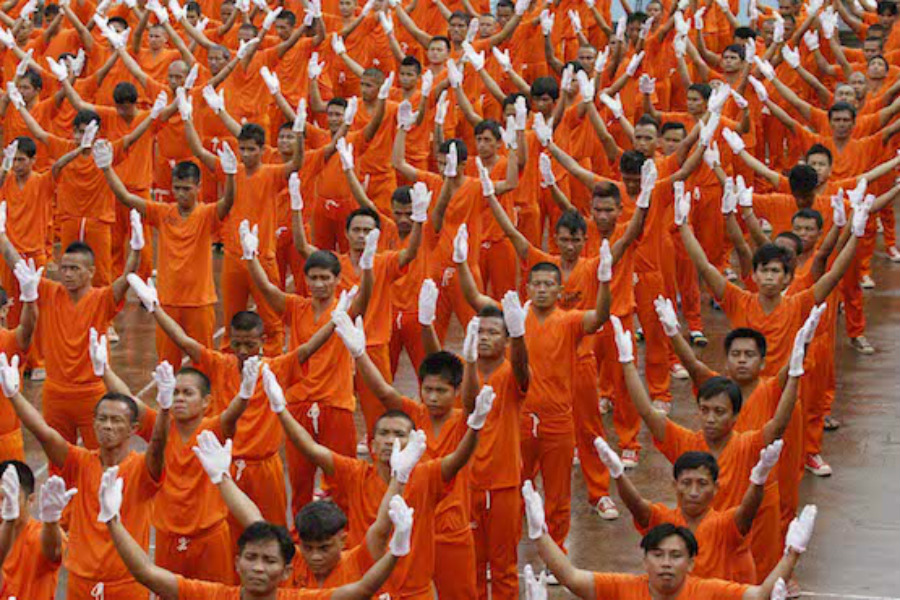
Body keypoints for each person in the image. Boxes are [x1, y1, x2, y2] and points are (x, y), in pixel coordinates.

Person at [454, 183, 612, 571]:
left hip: (558, 419)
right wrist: (460, 263)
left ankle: (557, 558)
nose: (542, 290)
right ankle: (505, 553)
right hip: (520, 419)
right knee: (514, 489)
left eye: (548, 285)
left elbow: (600, 318)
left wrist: (606, 281)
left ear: (559, 290)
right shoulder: (515, 318)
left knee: (558, 495)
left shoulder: (569, 321)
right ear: (528, 286)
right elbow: (476, 300)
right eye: (536, 284)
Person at [612, 302, 818, 579]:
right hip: (699, 555)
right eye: (705, 410)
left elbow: (779, 424)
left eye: (719, 412)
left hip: (737, 552)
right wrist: (627, 363)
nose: (710, 419)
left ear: (735, 416)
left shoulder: (748, 445)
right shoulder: (686, 442)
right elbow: (648, 413)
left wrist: (794, 374)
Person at [261, 362, 489, 599]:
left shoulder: (426, 476)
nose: (391, 440)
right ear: (371, 445)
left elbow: (459, 458)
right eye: (384, 433)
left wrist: (475, 427)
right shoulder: (355, 473)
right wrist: (280, 409)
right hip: (368, 589)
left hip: (414, 592)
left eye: (399, 434)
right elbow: (310, 448)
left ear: (413, 443)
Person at [138, 286, 334, 537]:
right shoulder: (220, 365)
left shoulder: (277, 369)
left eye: (249, 345)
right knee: (226, 534)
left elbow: (308, 349)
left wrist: (336, 321)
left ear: (263, 341)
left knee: (272, 533)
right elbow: (184, 342)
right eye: (237, 344)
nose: (242, 351)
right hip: (225, 465)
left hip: (265, 467)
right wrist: (156, 309)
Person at [103, 461, 413, 599]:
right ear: (237, 562)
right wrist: (113, 520)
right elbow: (146, 573)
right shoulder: (214, 596)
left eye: (269, 561)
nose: (259, 568)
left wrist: (397, 550)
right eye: (251, 558)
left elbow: (362, 590)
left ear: (286, 570)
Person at [0, 354, 169, 599]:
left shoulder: (143, 469)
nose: (107, 425)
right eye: (102, 419)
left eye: (116, 420)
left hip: (127, 584)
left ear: (133, 429)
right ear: (94, 423)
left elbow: (158, 444)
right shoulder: (79, 462)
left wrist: (164, 409)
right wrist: (14, 395)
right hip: (81, 583)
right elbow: (44, 433)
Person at [93, 344, 249, 584]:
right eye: (174, 393)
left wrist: (244, 395)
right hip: (168, 538)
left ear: (206, 401)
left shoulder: (213, 431)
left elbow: (232, 415)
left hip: (210, 537)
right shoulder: (161, 427)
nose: (179, 398)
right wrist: (104, 370)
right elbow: (129, 402)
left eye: (187, 393)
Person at [194, 423, 410, 589]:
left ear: (343, 540)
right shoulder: (293, 560)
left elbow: (381, 528)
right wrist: (222, 478)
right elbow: (253, 520)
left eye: (324, 548)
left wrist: (398, 478)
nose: (315, 557)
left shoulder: (357, 561)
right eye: (308, 547)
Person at [523, 479, 817, 599]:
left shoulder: (708, 591)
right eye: (658, 554)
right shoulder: (624, 588)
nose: (666, 563)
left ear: (691, 564)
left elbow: (760, 594)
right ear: (644, 560)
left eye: (675, 556)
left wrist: (793, 552)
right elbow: (571, 577)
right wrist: (539, 535)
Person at [0, 214, 143, 448]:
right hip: (55, 394)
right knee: (59, 459)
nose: (67, 274)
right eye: (64, 268)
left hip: (91, 392)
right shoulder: (50, 292)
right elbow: (18, 266)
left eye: (74, 269)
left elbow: (126, 279)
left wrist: (136, 250)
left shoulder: (102, 299)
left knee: (99, 457)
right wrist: (2, 236)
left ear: (91, 271)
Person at [95, 141, 236, 366]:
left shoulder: (207, 215)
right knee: (167, 365)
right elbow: (126, 198)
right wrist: (106, 168)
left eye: (186, 189)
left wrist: (230, 175)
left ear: (198, 187)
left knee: (205, 364)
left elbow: (228, 202)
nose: (181, 194)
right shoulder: (162, 213)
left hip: (200, 302)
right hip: (168, 302)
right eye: (177, 188)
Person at [595, 442, 780, 583]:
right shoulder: (664, 520)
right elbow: (636, 505)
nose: (693, 492)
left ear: (716, 488)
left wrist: (759, 479)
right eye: (686, 483)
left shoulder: (725, 525)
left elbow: (748, 511)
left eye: (702, 484)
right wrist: (617, 474)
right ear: (675, 485)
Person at [0, 462, 73, 598]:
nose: (2, 507)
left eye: (10, 499)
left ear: (31, 500)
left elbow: (54, 552)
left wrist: (51, 521)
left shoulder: (38, 535)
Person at [0, 238, 37, 461]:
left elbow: (28, 327)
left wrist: (30, 300)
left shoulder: (10, 341)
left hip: (6, 443)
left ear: (4, 310)